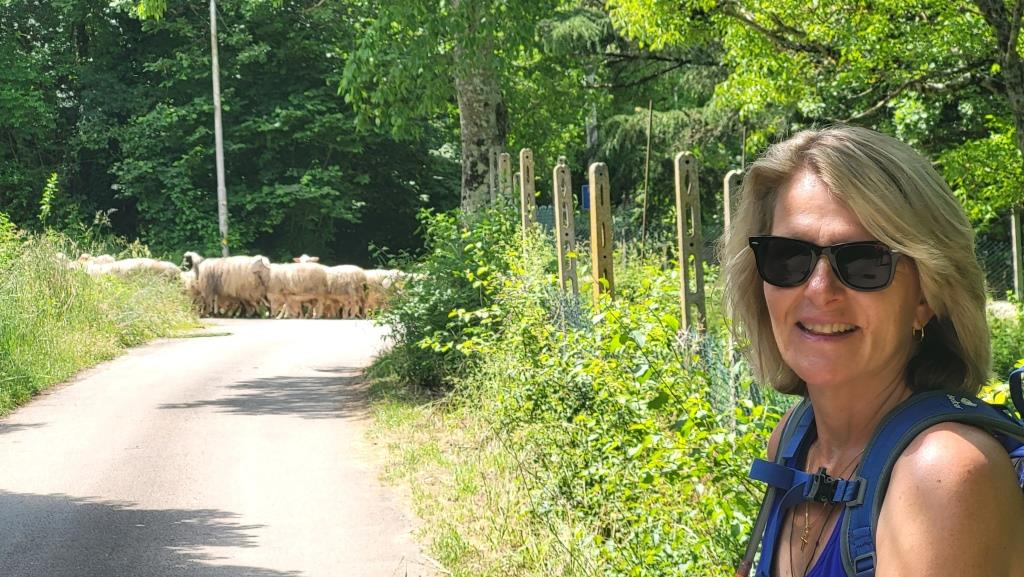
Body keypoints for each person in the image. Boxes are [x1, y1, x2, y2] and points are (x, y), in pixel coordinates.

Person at [720, 125, 1024, 577]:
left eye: (864, 262)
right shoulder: (793, 440)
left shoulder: (941, 474)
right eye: (788, 257)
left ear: (926, 298)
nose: (819, 290)